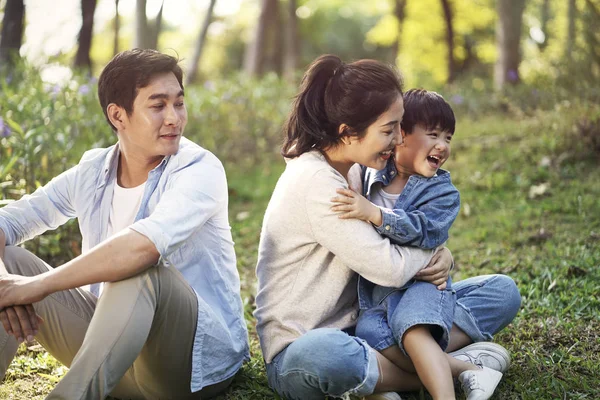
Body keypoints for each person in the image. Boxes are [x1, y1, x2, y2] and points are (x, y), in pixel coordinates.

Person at [254, 54, 521, 400]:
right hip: (303, 347)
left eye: (400, 126)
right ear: (348, 133)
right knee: (326, 353)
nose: (398, 139)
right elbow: (390, 269)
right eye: (389, 129)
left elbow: (400, 239)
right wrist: (431, 251)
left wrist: (445, 256)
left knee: (501, 292)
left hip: (366, 322)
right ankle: (454, 368)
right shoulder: (317, 184)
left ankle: (392, 369)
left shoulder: (352, 168)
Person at [0, 49, 249, 399]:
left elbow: (143, 247)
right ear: (119, 115)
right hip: (112, 362)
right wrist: (6, 286)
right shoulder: (92, 171)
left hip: (184, 369)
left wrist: (38, 286)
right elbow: (8, 220)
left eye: (179, 103)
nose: (174, 118)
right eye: (158, 105)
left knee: (142, 268)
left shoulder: (198, 169)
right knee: (10, 260)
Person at [332, 89, 501, 399]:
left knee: (413, 327)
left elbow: (426, 230)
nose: (443, 145)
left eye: (448, 138)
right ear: (400, 135)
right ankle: (466, 368)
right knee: (370, 333)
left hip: (421, 286)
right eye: (433, 134)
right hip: (377, 297)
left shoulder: (443, 192)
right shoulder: (366, 176)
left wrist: (376, 214)